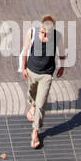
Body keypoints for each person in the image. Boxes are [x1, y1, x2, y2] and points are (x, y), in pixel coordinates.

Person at [19, 15, 64, 150]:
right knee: (32, 93)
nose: (43, 35)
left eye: (46, 33)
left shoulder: (57, 36)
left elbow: (61, 52)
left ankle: (35, 132)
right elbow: (25, 50)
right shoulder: (32, 32)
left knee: (41, 103)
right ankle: (32, 104)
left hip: (46, 74)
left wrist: (62, 66)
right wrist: (23, 67)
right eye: (42, 31)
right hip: (32, 70)